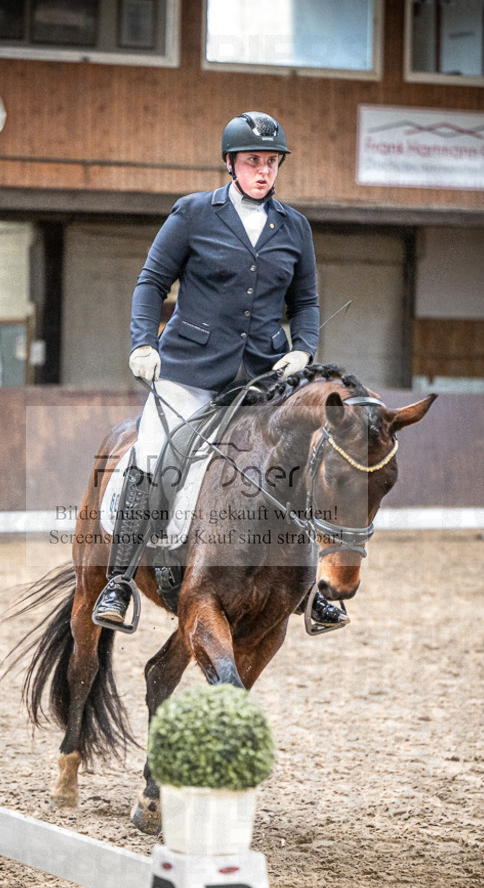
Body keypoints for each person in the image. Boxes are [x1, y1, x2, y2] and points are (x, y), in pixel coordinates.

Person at [92, 111, 348, 631]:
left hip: (261, 378)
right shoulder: (192, 214)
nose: (263, 171)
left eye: (272, 162)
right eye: (254, 161)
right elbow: (150, 283)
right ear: (231, 163)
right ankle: (120, 582)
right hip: (189, 369)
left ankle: (310, 590)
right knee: (152, 453)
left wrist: (303, 347)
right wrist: (144, 343)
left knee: (302, 460)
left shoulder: (294, 227)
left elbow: (306, 301)